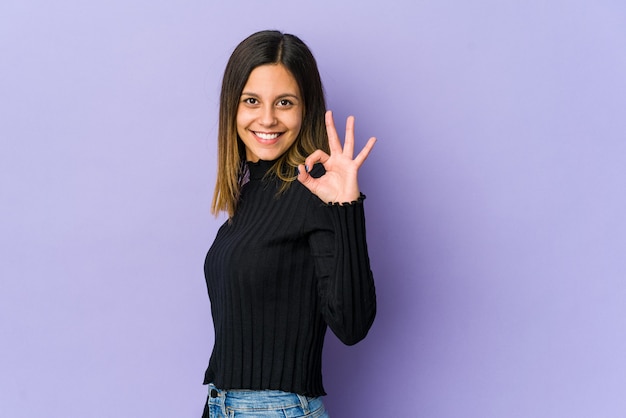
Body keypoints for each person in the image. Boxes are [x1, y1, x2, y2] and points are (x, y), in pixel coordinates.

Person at [202, 30, 377, 418]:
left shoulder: (312, 191)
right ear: (232, 106)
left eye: (284, 102)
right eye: (251, 101)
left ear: (305, 108)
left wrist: (346, 207)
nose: (267, 119)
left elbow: (352, 325)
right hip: (224, 405)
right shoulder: (250, 194)